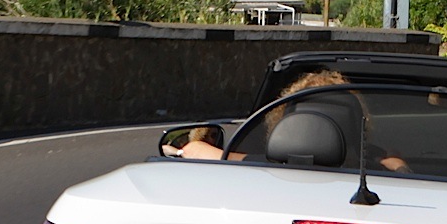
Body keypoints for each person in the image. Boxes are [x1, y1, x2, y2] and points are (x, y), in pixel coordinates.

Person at [171, 69, 408, 170]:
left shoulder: (259, 165)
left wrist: (176, 149)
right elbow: (401, 169)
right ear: (357, 122)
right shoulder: (375, 173)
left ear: (283, 121)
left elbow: (196, 150)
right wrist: (391, 159)